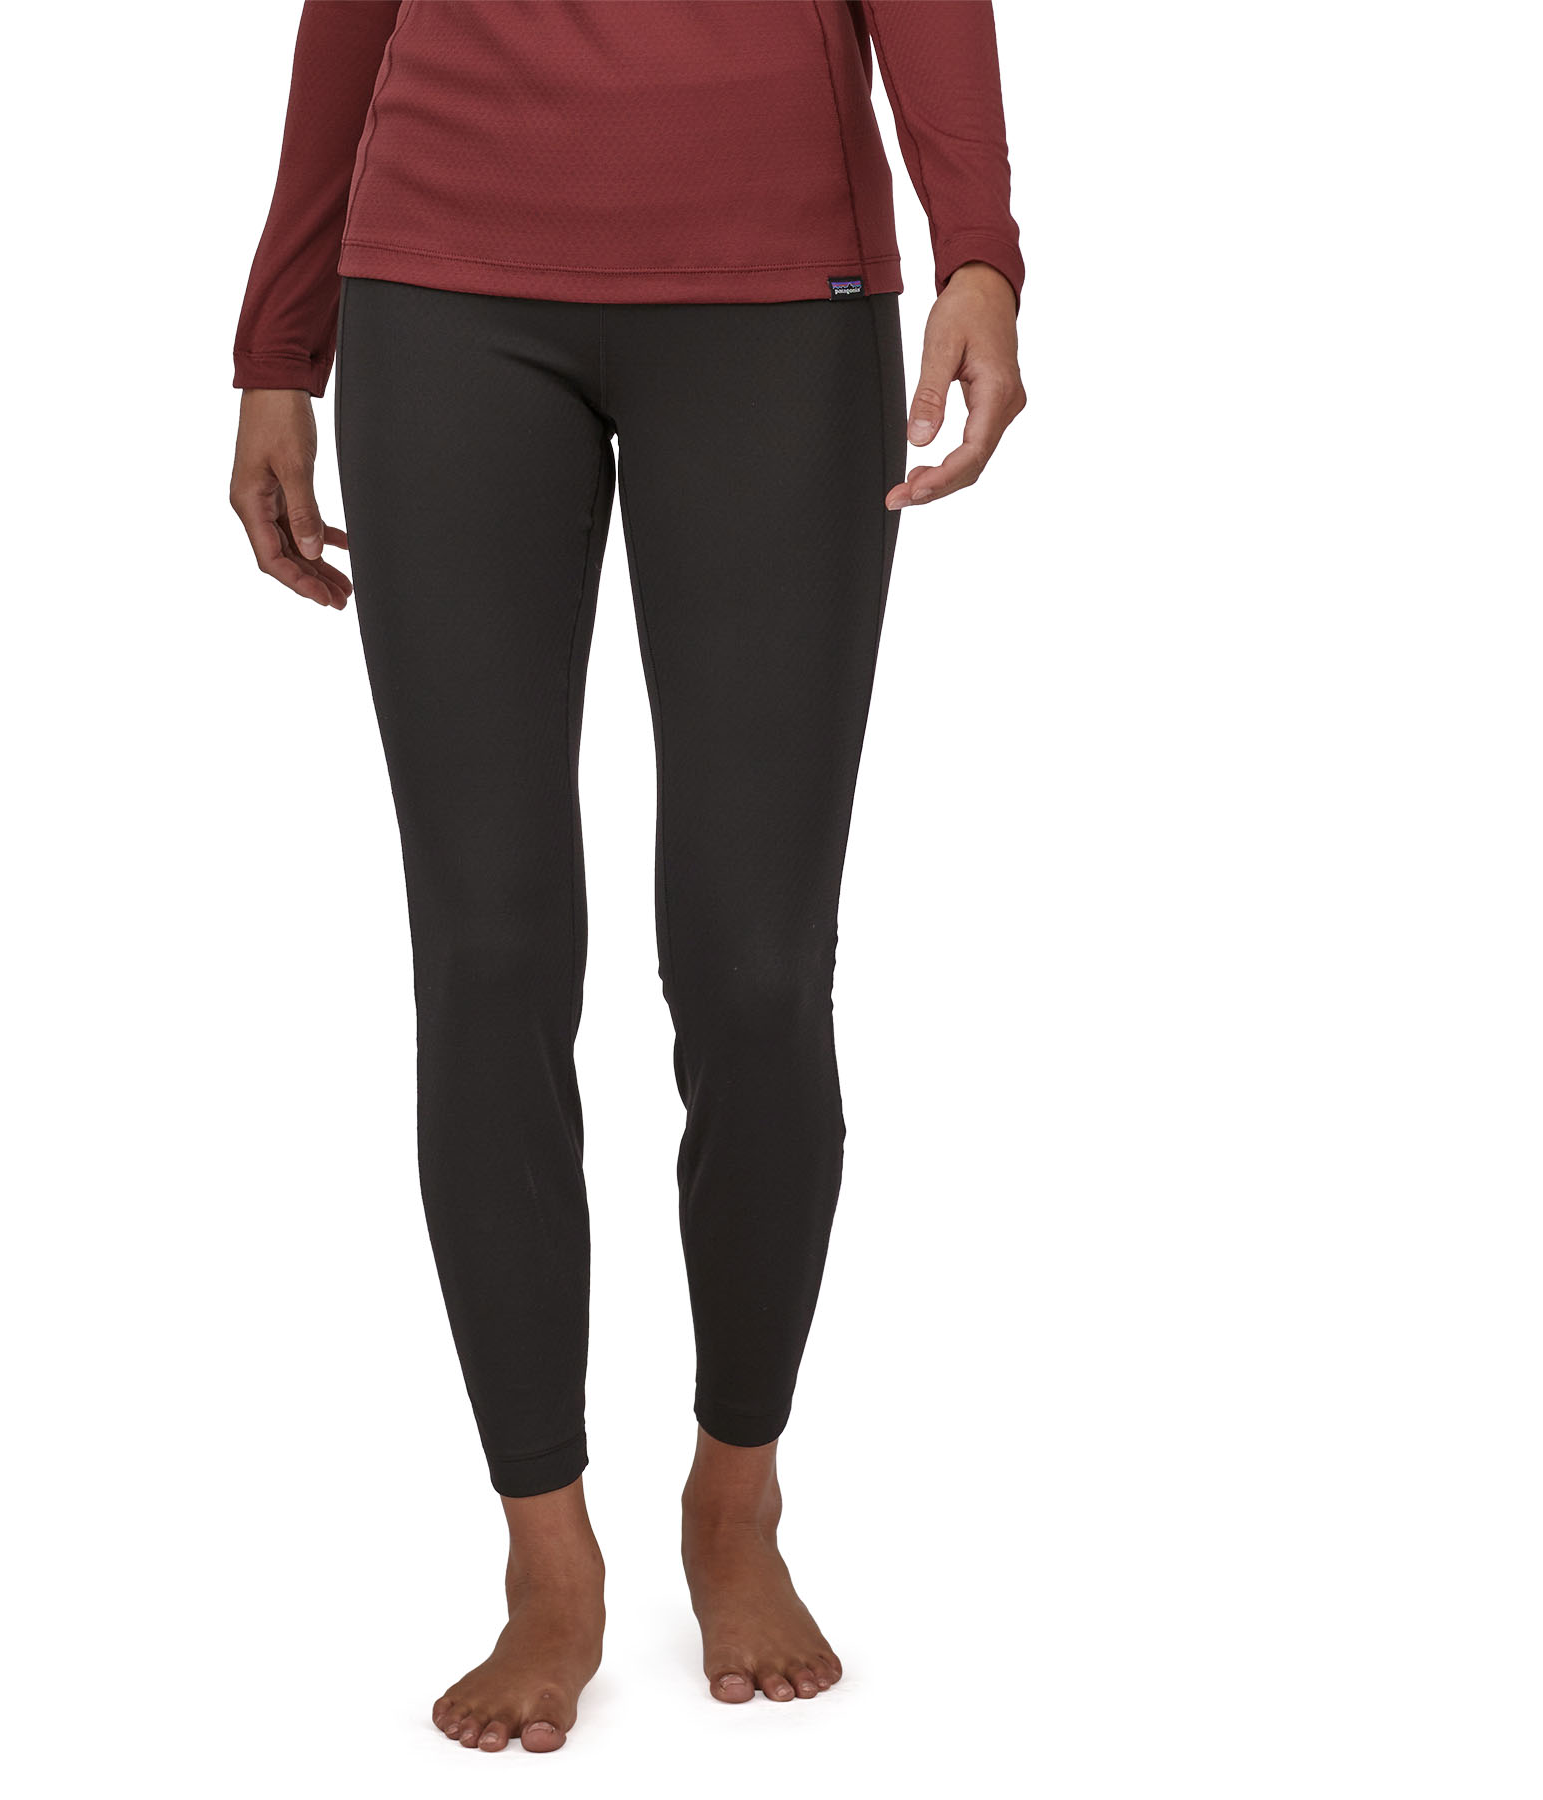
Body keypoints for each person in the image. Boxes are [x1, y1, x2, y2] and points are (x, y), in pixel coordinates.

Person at [230, 0, 1024, 1754]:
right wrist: (278, 345)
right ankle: (547, 1556)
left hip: (776, 291)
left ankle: (736, 1496)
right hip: (443, 290)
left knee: (754, 966)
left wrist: (979, 248)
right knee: (489, 953)